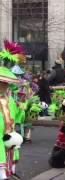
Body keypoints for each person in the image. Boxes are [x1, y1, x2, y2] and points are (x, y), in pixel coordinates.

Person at [0, 40, 24, 179]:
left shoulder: (10, 101)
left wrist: (22, 108)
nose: (3, 86)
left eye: (5, 83)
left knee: (10, 152)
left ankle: (9, 171)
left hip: (8, 134)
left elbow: (16, 116)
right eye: (1, 83)